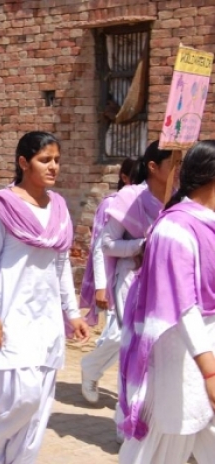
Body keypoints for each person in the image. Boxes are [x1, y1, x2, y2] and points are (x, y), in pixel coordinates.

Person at [0, 131, 90, 464]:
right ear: (24, 162)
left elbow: (61, 265)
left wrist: (72, 313)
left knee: (39, 408)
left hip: (47, 320)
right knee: (22, 398)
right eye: (44, 160)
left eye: (57, 160)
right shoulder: (0, 206)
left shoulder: (59, 207)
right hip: (12, 317)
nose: (53, 167)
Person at [118, 140, 215, 464]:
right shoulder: (174, 229)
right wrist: (209, 372)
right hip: (181, 360)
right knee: (157, 446)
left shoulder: (207, 223)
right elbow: (182, 306)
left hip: (204, 357)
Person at [88, 141, 175, 439]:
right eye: (173, 163)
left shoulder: (179, 197)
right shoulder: (129, 198)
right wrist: (141, 245)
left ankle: (154, 422)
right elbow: (107, 244)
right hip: (132, 282)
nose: (178, 170)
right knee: (135, 351)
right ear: (153, 167)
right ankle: (126, 422)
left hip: (166, 283)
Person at [80, 158, 135, 403]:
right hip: (116, 279)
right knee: (117, 335)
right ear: (124, 177)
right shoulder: (113, 204)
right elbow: (100, 246)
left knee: (131, 339)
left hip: (141, 279)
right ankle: (91, 367)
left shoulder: (152, 202)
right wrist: (101, 286)